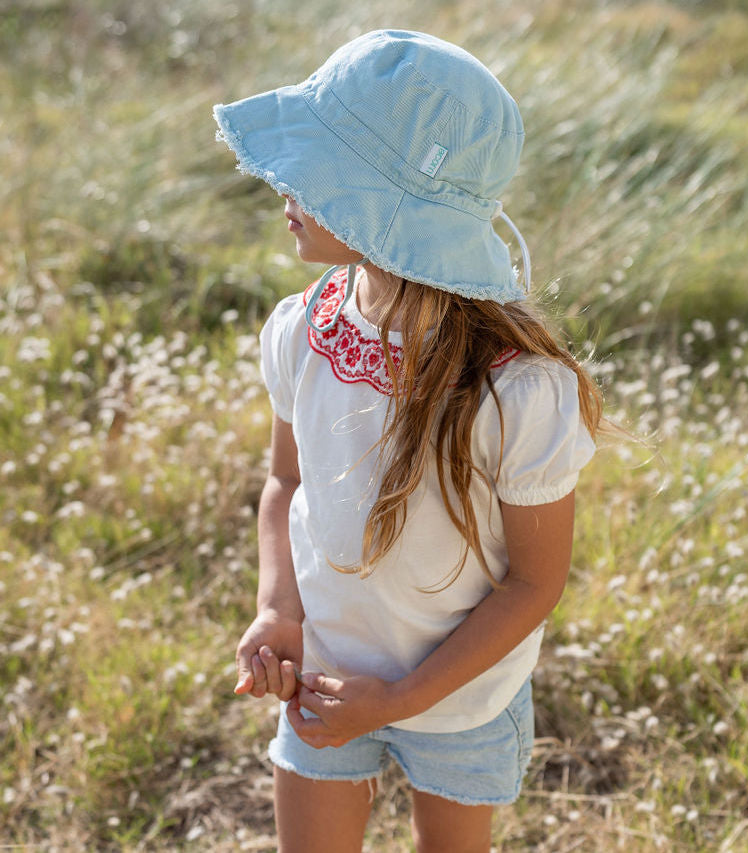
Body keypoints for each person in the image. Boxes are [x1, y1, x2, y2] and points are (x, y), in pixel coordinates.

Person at [214, 29, 603, 853]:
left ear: (380, 208)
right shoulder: (302, 329)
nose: (281, 184)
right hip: (322, 670)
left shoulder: (515, 390)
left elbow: (532, 584)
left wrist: (399, 698)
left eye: (317, 171)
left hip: (460, 698)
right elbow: (286, 484)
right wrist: (278, 608)